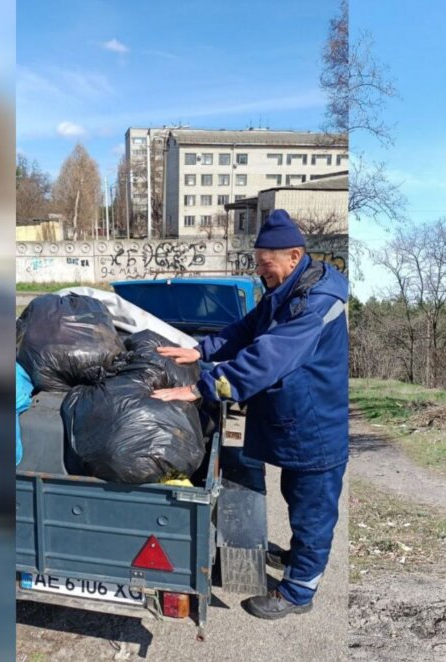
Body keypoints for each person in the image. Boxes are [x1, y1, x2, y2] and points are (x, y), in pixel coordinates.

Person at [151, 209, 349, 620]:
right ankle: (300, 556)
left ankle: (298, 592)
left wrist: (199, 387)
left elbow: (265, 358)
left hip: (315, 425)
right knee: (296, 496)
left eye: (265, 262)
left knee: (313, 507)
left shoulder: (316, 302)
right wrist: (200, 351)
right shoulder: (287, 289)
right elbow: (247, 329)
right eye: (257, 261)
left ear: (294, 256)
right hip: (295, 418)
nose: (260, 269)